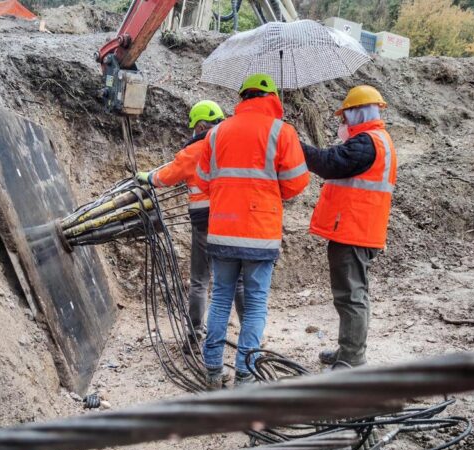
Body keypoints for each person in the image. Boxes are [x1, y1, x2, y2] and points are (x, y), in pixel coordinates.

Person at [196, 73, 310, 389]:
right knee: (256, 303)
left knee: (220, 299)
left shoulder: (217, 133)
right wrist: (271, 192)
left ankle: (212, 371)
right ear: (271, 97)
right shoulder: (281, 131)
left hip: (222, 231)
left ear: (242, 98)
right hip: (260, 233)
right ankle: (245, 375)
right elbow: (298, 182)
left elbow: (204, 180)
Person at [301, 85, 398, 368]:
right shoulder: (376, 140)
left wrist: (294, 145)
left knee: (350, 296)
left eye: (345, 117)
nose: (342, 123)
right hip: (361, 229)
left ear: (358, 113)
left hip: (355, 231)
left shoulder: (367, 143)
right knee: (353, 294)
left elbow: (329, 163)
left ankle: (352, 359)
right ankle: (348, 350)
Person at [136, 101, 244, 348]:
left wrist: (148, 177)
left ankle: (194, 336)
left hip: (206, 223)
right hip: (235, 221)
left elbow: (167, 176)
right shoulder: (233, 145)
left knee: (200, 280)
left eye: (194, 126)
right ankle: (250, 338)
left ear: (200, 125)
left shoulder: (196, 149)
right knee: (238, 280)